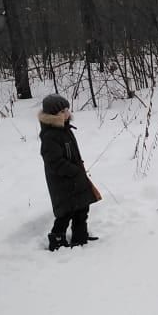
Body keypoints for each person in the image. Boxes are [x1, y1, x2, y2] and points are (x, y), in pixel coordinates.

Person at [39, 94, 99, 251]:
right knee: (66, 212)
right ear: (53, 115)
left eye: (67, 109)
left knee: (82, 207)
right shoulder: (50, 135)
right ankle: (56, 239)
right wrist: (73, 170)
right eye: (62, 111)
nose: (66, 113)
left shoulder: (65, 129)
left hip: (75, 178)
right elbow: (54, 161)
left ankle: (80, 236)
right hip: (62, 182)